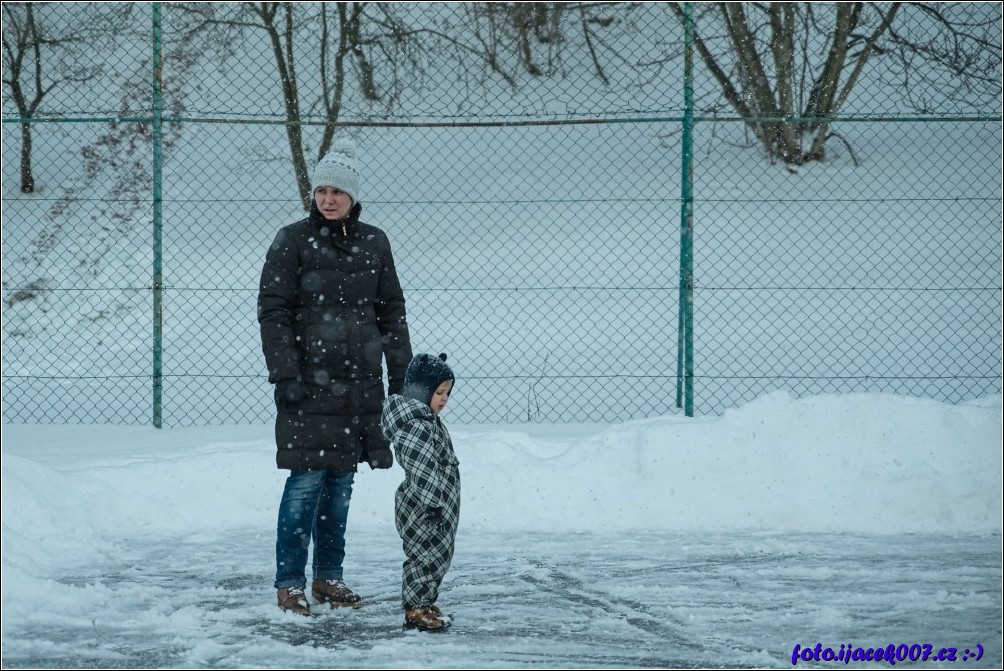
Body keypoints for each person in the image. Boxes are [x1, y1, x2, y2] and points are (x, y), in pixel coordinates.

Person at [258, 137, 413, 616]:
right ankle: (289, 582)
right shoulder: (292, 240)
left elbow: (392, 312)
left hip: (359, 389)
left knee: (341, 488)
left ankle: (328, 577)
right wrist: (285, 374)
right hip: (307, 386)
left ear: (352, 198)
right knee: (304, 484)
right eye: (322, 190)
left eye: (337, 193)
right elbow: (273, 310)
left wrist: (401, 381)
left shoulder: (375, 241)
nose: (328, 199)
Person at [381, 353, 460, 632]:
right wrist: (433, 505)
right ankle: (415, 610)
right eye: (439, 392)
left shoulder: (426, 421)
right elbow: (422, 469)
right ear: (422, 391)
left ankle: (424, 601)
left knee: (438, 554)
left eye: (447, 393)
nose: (444, 399)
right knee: (425, 556)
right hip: (424, 507)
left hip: (435, 504)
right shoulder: (416, 426)